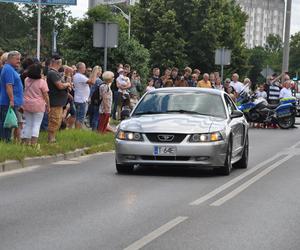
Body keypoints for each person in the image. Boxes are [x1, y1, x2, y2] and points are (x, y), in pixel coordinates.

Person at [22, 63, 50, 145]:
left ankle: (26, 143)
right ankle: (33, 143)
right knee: (36, 124)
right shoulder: (42, 82)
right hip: (38, 105)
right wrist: (48, 106)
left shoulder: (26, 79)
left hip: (27, 104)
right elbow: (46, 95)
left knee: (28, 124)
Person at [47, 55, 72, 143]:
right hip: (55, 102)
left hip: (59, 102)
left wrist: (67, 85)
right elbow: (60, 85)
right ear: (58, 63)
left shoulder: (56, 73)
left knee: (57, 120)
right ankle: (51, 139)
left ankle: (53, 138)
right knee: (54, 120)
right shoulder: (52, 73)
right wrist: (67, 85)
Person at [0, 51, 23, 142]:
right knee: (7, 124)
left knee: (8, 123)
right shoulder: (8, 69)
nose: (19, 61)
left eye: (19, 59)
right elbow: (8, 86)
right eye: (17, 59)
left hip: (9, 101)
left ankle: (5, 140)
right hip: (8, 102)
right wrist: (12, 100)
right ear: (10, 59)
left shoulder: (9, 69)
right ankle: (6, 141)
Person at [73, 62, 98, 129]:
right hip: (82, 101)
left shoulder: (78, 76)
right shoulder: (80, 76)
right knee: (80, 118)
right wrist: (95, 71)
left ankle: (77, 131)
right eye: (84, 67)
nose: (85, 69)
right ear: (80, 68)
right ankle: (78, 132)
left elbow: (89, 80)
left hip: (79, 99)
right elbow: (92, 82)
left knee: (78, 117)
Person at [89, 66, 103, 131]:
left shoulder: (90, 79)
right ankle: (94, 130)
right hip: (97, 100)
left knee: (92, 115)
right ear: (97, 72)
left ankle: (92, 128)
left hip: (91, 99)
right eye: (100, 71)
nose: (101, 72)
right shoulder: (99, 81)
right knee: (96, 116)